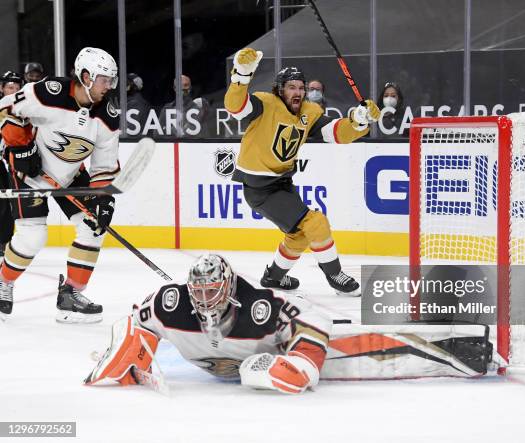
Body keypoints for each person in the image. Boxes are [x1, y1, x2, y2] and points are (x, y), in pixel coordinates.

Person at [224, 48, 381, 296]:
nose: (297, 92)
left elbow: (336, 133)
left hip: (282, 183)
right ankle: (334, 275)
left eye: (300, 87)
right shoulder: (265, 103)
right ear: (279, 89)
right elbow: (235, 107)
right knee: (315, 222)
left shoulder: (310, 111)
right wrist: (242, 75)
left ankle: (273, 278)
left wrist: (358, 120)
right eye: (291, 87)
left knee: (299, 235)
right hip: (259, 188)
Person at [85, 254, 332, 394]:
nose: (205, 299)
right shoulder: (170, 302)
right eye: (198, 291)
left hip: (276, 351)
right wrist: (125, 353)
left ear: (228, 285)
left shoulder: (261, 305)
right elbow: (137, 322)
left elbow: (314, 318)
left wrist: (302, 366)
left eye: (212, 290)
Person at [0, 47, 120, 323]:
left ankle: (70, 297)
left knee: (93, 226)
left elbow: (103, 166)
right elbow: (8, 108)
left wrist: (104, 199)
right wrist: (20, 149)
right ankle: (4, 281)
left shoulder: (107, 115)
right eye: (104, 79)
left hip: (70, 173)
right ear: (86, 77)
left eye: (111, 80)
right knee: (33, 237)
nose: (109, 86)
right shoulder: (49, 92)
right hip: (31, 173)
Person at [0, 71, 25, 258]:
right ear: (2, 88)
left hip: (13, 164)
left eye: (17, 88)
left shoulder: (25, 110)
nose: (13, 91)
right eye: (10, 87)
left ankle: (5, 242)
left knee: (10, 205)